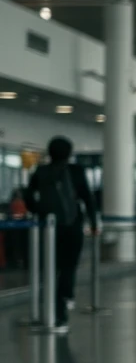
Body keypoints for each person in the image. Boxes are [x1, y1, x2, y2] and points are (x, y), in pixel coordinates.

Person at [24, 137, 98, 331]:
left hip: (49, 228)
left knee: (52, 268)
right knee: (69, 266)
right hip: (73, 225)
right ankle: (65, 299)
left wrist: (39, 211)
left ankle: (58, 311)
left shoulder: (40, 171)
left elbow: (28, 195)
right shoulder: (76, 171)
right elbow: (87, 198)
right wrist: (94, 222)